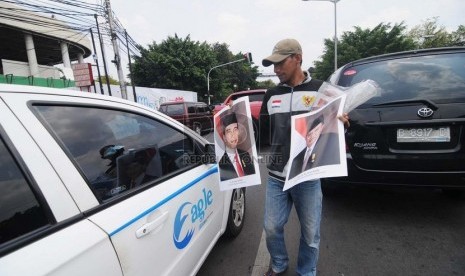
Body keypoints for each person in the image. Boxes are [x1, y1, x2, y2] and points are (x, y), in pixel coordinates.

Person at [259, 38, 350, 276]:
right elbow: (263, 136)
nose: (276, 70)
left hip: (307, 176)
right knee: (271, 227)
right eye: (273, 65)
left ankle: (306, 271)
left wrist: (343, 123)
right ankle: (279, 263)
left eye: (280, 63)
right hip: (277, 176)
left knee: (310, 234)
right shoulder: (271, 94)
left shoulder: (322, 90)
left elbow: (336, 127)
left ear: (297, 58)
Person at [288, 114, 340, 180]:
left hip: (315, 182)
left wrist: (341, 125)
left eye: (316, 130)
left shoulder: (330, 140)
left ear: (322, 127)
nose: (313, 136)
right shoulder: (296, 158)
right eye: (309, 134)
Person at [218, 111, 255, 181]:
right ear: (224, 137)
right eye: (228, 131)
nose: (233, 135)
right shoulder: (220, 163)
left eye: (235, 130)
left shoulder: (245, 155)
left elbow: (252, 176)